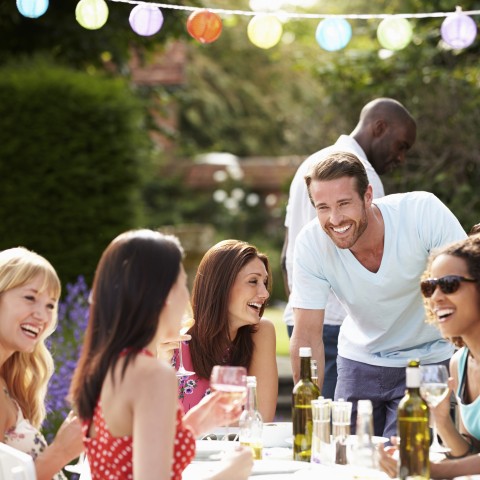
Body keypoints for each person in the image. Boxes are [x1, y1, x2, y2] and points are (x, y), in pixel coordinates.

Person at [289, 152, 467, 439]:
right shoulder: (311, 244)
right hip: (359, 360)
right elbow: (307, 335)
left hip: (428, 359)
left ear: (368, 195)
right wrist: (306, 416)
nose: (334, 219)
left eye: (344, 203)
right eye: (323, 207)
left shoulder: (423, 213)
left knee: (409, 461)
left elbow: (467, 292)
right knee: (350, 460)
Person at [69, 230, 253, 480]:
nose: (187, 299)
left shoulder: (111, 364)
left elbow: (133, 450)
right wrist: (231, 472)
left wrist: (197, 423)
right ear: (162, 295)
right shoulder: (152, 374)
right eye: (182, 285)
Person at [281, 97, 417, 399]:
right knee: (345, 431)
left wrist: (303, 307)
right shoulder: (362, 178)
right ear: (379, 127)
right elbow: (375, 263)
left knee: (319, 419)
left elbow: (286, 253)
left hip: (303, 320)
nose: (401, 157)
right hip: (343, 327)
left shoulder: (312, 163)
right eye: (401, 145)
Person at [379, 233, 480, 478]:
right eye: (429, 287)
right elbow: (471, 454)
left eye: (449, 284)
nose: (435, 297)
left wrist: (436, 470)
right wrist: (442, 421)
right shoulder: (460, 363)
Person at [0, 247, 84, 480]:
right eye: (30, 298)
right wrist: (62, 451)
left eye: (50, 305)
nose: (43, 316)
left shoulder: (8, 381)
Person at [175, 239, 278, 422]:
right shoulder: (174, 342)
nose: (265, 293)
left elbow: (261, 420)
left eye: (264, 282)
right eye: (253, 281)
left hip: (236, 449)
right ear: (221, 286)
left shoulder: (260, 333)